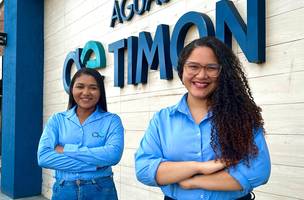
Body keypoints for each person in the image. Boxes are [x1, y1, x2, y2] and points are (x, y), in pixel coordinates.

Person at [135, 36, 271, 200]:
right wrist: (200, 167)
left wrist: (194, 182)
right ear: (181, 71)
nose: (201, 75)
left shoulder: (242, 116)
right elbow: (144, 169)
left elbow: (259, 171)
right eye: (193, 66)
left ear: (223, 73)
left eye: (211, 68)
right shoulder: (162, 120)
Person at [37, 68, 124, 200]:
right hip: (64, 190)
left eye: (93, 88)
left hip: (101, 190)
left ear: (100, 91)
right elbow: (44, 157)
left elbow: (112, 155)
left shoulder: (112, 120)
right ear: (72, 89)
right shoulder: (57, 119)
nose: (86, 92)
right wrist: (96, 164)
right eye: (80, 87)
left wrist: (67, 149)